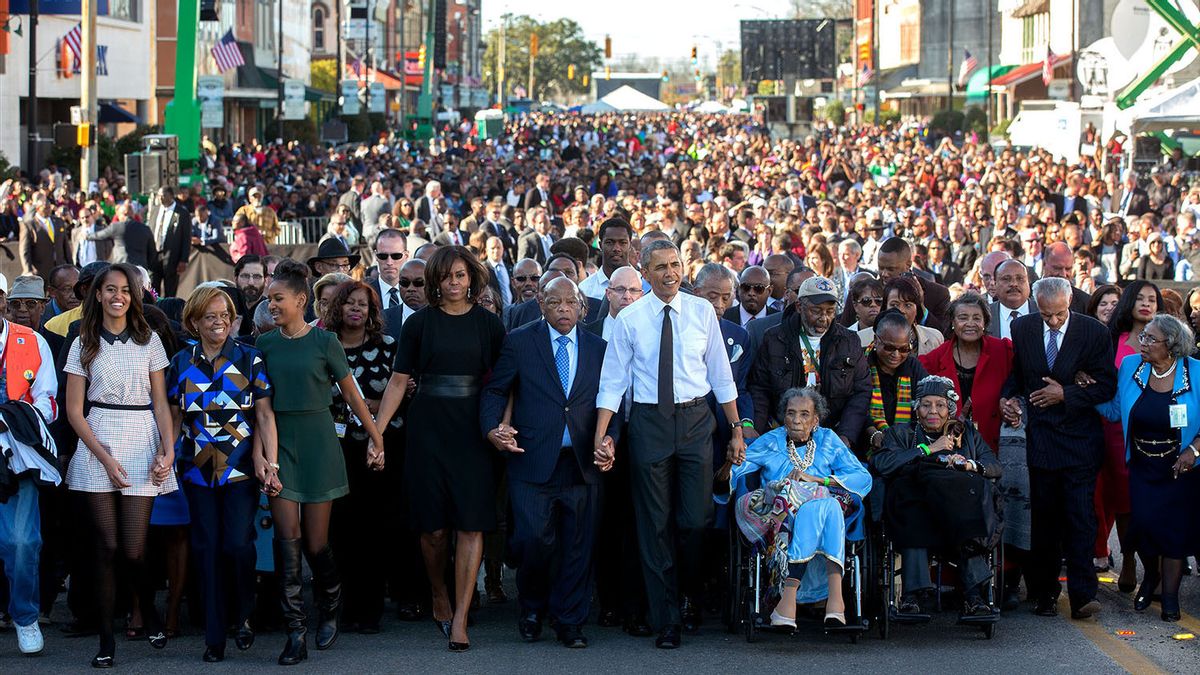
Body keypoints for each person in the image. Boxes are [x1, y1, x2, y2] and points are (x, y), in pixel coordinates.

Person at [594, 239, 744, 649]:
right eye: (660, 267)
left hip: (697, 421)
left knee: (694, 522)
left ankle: (688, 594)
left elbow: (721, 375)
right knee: (653, 525)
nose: (669, 273)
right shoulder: (630, 319)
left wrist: (734, 429)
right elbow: (612, 382)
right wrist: (601, 435)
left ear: (684, 267)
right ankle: (667, 617)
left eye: (675, 265)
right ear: (644, 270)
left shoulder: (701, 312)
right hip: (648, 422)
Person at [373, 245, 506, 652]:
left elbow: (503, 383)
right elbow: (398, 382)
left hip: (473, 431)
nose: (453, 283)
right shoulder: (418, 325)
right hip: (427, 428)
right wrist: (377, 435)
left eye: (460, 276)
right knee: (432, 530)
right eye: (446, 276)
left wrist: (500, 425)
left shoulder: (489, 325)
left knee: (470, 524)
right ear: (435, 280)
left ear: (472, 279)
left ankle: (461, 616)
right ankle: (438, 592)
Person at [256, 259, 384, 665]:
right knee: (286, 540)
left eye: (278, 298)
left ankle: (330, 604)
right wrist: (264, 456)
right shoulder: (264, 344)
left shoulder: (324, 342)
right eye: (268, 299)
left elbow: (351, 394)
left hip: (319, 444)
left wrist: (376, 437)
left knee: (315, 543)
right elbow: (259, 409)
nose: (272, 305)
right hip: (280, 445)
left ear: (299, 299)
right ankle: (296, 631)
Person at [480, 277, 615, 649]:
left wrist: (610, 438)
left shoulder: (599, 348)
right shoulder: (520, 341)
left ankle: (569, 620)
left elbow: (612, 398)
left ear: (582, 307)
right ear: (541, 304)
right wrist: (493, 428)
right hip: (532, 461)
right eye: (554, 303)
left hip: (582, 463)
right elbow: (495, 389)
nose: (563, 310)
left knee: (578, 546)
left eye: (570, 303)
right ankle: (532, 609)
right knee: (534, 541)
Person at [63, 263, 177, 668]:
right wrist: (105, 458)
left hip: (141, 436)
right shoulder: (83, 342)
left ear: (135, 294)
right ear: (96, 294)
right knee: (106, 547)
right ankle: (106, 639)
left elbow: (162, 403)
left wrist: (168, 451)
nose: (117, 296)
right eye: (109, 289)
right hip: (98, 440)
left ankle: (147, 608)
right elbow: (75, 412)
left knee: (133, 549)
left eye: (125, 290)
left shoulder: (149, 340)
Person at [167, 286, 275, 662]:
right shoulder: (181, 363)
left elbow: (263, 415)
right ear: (195, 321)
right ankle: (214, 637)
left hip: (241, 468)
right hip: (197, 471)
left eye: (225, 316)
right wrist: (166, 455)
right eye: (210, 316)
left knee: (237, 546)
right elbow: (175, 417)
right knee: (205, 550)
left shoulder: (250, 358)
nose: (219, 323)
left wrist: (268, 461)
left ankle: (244, 613)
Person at [1000, 277, 1116, 620]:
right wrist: (1010, 399)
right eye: (1046, 315)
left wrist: (1066, 394)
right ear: (1036, 306)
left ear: (1070, 305)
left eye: (1059, 315)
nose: (1053, 321)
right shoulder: (1022, 329)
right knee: (1046, 521)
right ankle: (1044, 592)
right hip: (1042, 439)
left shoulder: (1093, 332)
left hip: (1080, 439)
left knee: (1080, 517)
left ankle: (1083, 595)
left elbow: (1106, 385)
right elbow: (1018, 375)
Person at [722, 387, 871, 629]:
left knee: (824, 504)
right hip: (782, 512)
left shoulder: (828, 440)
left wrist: (817, 481)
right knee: (823, 506)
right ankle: (836, 601)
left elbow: (861, 476)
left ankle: (788, 602)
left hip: (822, 502)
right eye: (791, 413)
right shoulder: (771, 441)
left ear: (815, 420)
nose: (796, 420)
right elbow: (738, 468)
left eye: (804, 414)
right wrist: (728, 469)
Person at [872, 376, 1002, 620]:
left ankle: (974, 597)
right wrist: (928, 450)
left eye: (940, 405)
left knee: (969, 512)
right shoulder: (901, 433)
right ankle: (911, 596)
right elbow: (882, 463)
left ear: (949, 409)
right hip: (915, 512)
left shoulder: (968, 437)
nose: (933, 411)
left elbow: (994, 465)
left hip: (957, 514)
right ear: (917, 409)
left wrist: (969, 464)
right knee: (911, 511)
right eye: (926, 405)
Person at [1097, 314, 1200, 623]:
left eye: (1149, 339)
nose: (1141, 343)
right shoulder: (1131, 367)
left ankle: (1169, 597)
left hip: (1181, 468)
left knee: (1174, 532)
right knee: (1143, 527)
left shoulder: (1195, 373)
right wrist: (1086, 393)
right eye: (1142, 337)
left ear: (1170, 345)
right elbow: (1115, 410)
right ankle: (1151, 577)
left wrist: (1193, 450)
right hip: (1142, 466)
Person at [322, 280, 397, 635]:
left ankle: (370, 610)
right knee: (341, 531)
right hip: (334, 450)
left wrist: (369, 409)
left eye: (363, 305)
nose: (356, 309)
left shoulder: (387, 347)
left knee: (374, 530)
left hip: (377, 448)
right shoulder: (323, 346)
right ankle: (344, 607)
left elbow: (402, 396)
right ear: (338, 308)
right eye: (350, 303)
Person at [0, 272, 61, 656]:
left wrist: (10, 418)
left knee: (21, 542)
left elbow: (49, 403)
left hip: (17, 454)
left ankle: (25, 617)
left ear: (3, 300)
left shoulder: (32, 341)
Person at [1096, 281, 1163, 589]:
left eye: (1152, 299)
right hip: (1116, 431)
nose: (1146, 304)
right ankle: (1128, 561)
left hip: (1159, 431)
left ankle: (1158, 569)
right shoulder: (1112, 339)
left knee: (1156, 501)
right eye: (1140, 298)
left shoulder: (1170, 341)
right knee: (1124, 502)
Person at [750, 276, 869, 448]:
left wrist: (846, 436)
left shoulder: (849, 341)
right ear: (799, 307)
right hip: (784, 433)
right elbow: (759, 388)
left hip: (832, 435)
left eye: (830, 311)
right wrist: (758, 434)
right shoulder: (775, 338)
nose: (824, 318)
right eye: (816, 310)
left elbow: (861, 392)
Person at [919, 293, 1014, 452]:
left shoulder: (1003, 351)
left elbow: (1020, 381)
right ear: (952, 323)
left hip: (992, 445)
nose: (970, 323)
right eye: (963, 318)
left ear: (985, 322)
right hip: (948, 447)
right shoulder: (934, 359)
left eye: (977, 318)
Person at [860, 309, 930, 455]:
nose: (896, 355)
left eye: (904, 349)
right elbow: (854, 406)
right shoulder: (860, 362)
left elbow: (928, 397)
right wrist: (873, 433)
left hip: (906, 446)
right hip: (864, 445)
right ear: (876, 340)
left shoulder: (913, 366)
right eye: (889, 347)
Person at [858, 276, 944, 356]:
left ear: (917, 309)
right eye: (894, 305)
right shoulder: (862, 339)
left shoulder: (934, 338)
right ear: (885, 307)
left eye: (908, 305)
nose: (901, 310)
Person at [147, 186, 191, 298]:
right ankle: (153, 311)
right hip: (154, 256)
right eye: (159, 195)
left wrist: (183, 259)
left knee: (170, 290)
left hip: (172, 257)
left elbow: (186, 238)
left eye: (163, 195)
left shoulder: (182, 213)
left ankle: (168, 313)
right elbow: (150, 231)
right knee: (152, 289)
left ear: (171, 196)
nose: (161, 198)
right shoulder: (155, 210)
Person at [19, 200, 72, 280]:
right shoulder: (29, 225)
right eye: (45, 208)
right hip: (40, 271)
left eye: (49, 207)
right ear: (37, 209)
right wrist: (28, 270)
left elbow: (65, 246)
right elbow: (25, 250)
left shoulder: (58, 222)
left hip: (59, 269)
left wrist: (71, 266)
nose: (48, 210)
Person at [86, 208, 156, 268]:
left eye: (118, 215)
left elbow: (100, 235)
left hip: (121, 266)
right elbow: (152, 252)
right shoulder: (145, 229)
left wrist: (87, 236)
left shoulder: (117, 227)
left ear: (123, 214)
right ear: (133, 214)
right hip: (140, 267)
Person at [988, 260, 1036, 341]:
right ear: (995, 284)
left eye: (1020, 278)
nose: (1014, 284)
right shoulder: (985, 315)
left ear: (1028, 282)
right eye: (1006, 279)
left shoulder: (1043, 312)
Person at [383, 259, 427, 338]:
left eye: (419, 283)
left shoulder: (443, 319)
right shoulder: (382, 319)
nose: (410, 288)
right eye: (404, 282)